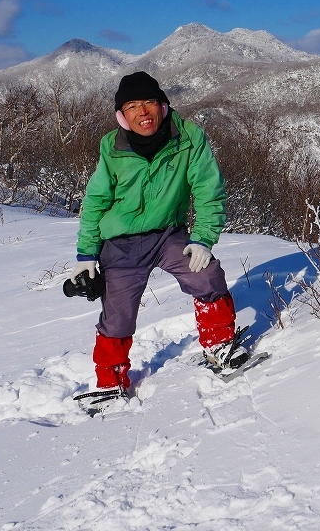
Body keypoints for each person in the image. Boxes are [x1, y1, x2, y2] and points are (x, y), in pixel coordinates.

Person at [69, 71, 245, 396]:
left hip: (168, 235)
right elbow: (96, 200)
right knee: (118, 315)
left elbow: (208, 190)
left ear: (162, 105)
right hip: (119, 244)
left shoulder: (188, 137)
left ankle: (219, 343)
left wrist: (203, 238)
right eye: (133, 106)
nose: (143, 112)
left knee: (205, 275)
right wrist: (86, 253)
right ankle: (111, 380)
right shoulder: (113, 146)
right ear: (122, 115)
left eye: (149, 102)